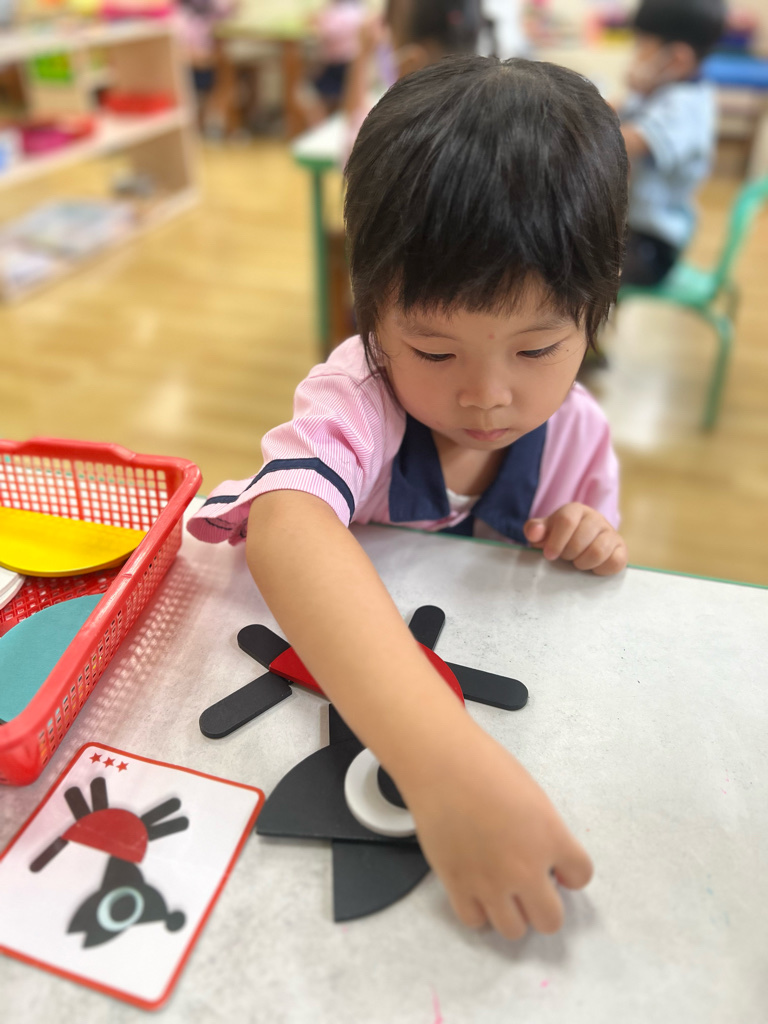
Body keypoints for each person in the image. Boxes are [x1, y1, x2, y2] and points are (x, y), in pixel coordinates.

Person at [189, 56, 628, 940]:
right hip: (345, 712)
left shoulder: (578, 433)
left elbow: (593, 578)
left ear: (596, 313)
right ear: (371, 320)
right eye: (434, 352)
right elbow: (287, 523)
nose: (488, 397)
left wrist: (588, 535)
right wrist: (442, 764)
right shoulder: (359, 399)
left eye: (536, 349)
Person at [620, 0, 726, 285]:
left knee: (576, 271)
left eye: (642, 45)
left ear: (676, 59)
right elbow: (619, 111)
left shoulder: (686, 107)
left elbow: (625, 140)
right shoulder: (663, 90)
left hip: (652, 248)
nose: (636, 55)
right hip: (634, 232)